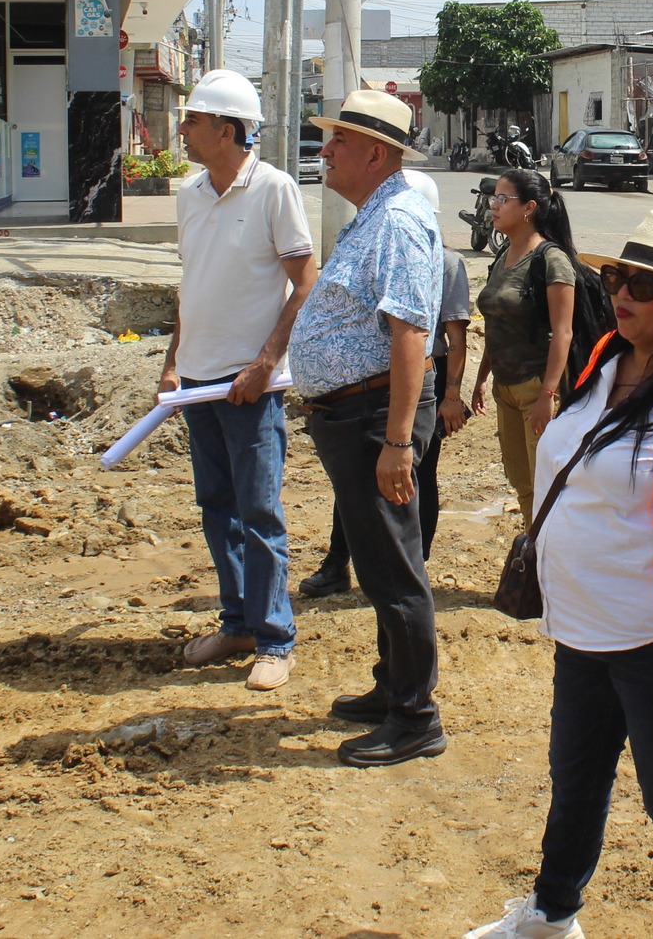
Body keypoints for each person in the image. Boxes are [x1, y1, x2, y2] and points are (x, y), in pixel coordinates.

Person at [465, 213, 653, 939]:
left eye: (645, 286)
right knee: (574, 783)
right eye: (616, 278)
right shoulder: (608, 358)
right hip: (583, 635)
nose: (623, 295)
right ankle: (551, 916)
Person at [288, 89, 448, 768]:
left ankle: (415, 717)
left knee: (393, 569)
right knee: (379, 559)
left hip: (376, 416)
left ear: (376, 154)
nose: (325, 151)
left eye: (339, 142)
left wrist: (397, 442)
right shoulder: (376, 212)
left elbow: (410, 333)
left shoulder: (399, 219)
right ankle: (392, 689)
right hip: (355, 413)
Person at [158, 69, 318, 694]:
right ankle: (239, 624)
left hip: (250, 385)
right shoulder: (190, 194)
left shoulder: (274, 189)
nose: (184, 130)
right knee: (217, 509)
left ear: (226, 130)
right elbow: (192, 286)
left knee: (259, 512)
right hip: (199, 381)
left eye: (194, 120)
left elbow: (304, 282)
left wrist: (265, 362)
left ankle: (275, 639)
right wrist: (172, 362)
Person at [297, 170, 471, 597]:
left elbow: (450, 338)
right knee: (359, 487)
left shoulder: (444, 260)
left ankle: (412, 566)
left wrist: (451, 395)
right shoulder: (374, 242)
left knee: (414, 479)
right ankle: (340, 561)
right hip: (378, 382)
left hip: (418, 381)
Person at [470, 169, 578, 522]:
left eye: (503, 199)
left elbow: (563, 332)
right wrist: (482, 378)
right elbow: (497, 322)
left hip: (537, 389)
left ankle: (548, 550)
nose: (493, 206)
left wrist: (548, 395)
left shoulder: (551, 260)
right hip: (505, 388)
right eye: (493, 198)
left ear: (529, 208)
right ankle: (533, 546)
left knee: (546, 483)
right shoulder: (503, 255)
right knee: (522, 482)